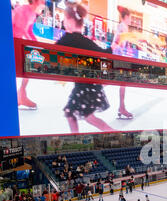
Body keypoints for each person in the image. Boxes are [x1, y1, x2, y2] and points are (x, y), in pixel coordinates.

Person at [56, 2, 115, 133]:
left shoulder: (68, 39)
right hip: (88, 85)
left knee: (88, 117)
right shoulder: (86, 41)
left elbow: (51, 53)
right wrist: (113, 46)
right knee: (71, 113)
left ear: (70, 21)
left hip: (86, 87)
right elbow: (104, 54)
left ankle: (116, 135)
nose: (63, 22)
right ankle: (76, 139)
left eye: (64, 19)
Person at [12, 0, 46, 109]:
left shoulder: (32, 13)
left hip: (17, 42)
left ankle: (21, 95)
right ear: (35, 1)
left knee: (28, 67)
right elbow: (22, 30)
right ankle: (20, 96)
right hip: (10, 42)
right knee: (26, 66)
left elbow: (29, 31)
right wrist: (33, 44)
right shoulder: (23, 11)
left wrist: (36, 44)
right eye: (42, 0)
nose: (44, 2)